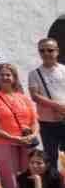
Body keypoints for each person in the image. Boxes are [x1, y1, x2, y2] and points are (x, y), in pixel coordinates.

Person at [0, 63, 40, 188]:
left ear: (14, 78)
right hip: (3, 143)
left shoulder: (23, 98)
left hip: (26, 143)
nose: (5, 77)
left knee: (26, 177)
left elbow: (34, 120)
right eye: (2, 75)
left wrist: (33, 134)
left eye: (8, 75)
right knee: (10, 181)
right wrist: (13, 138)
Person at [28, 37, 65, 167]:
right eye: (42, 51)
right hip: (47, 123)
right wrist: (57, 106)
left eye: (50, 50)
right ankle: (54, 186)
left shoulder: (63, 70)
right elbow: (35, 96)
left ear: (57, 51)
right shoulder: (34, 74)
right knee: (50, 157)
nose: (46, 53)